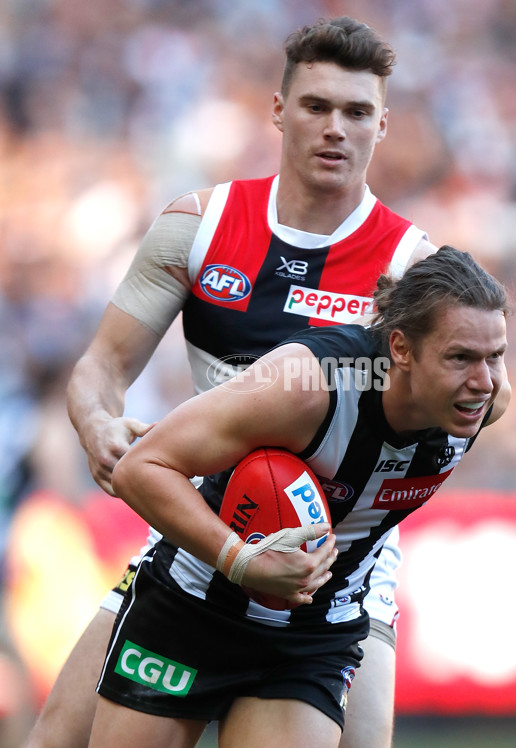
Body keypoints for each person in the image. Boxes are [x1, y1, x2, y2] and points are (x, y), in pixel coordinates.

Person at [24, 16, 437, 748]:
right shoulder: (200, 225)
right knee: (55, 738)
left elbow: (477, 393)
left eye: (357, 112)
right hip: (203, 532)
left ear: (383, 124)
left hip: (336, 565)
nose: (335, 128)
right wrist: (99, 426)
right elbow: (102, 367)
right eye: (315, 106)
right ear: (278, 111)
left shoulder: (410, 269)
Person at [87, 246, 512, 748]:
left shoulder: (484, 402)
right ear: (400, 348)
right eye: (460, 357)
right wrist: (240, 560)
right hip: (195, 602)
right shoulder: (307, 383)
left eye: (497, 356)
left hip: (314, 628)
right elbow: (142, 467)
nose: (483, 382)